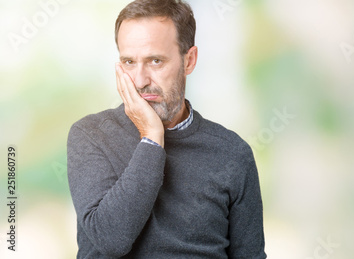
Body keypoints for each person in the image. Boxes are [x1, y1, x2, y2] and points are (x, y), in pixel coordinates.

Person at [66, 0, 266, 258]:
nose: (139, 80)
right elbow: (110, 239)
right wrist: (151, 139)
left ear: (189, 61)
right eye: (128, 62)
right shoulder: (91, 135)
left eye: (155, 61)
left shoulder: (232, 153)